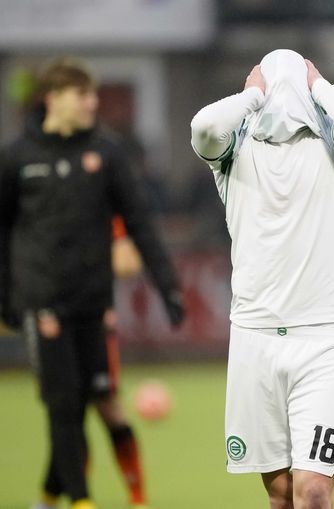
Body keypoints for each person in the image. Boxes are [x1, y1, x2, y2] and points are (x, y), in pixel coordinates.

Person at [190, 49, 334, 509]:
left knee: (313, 490)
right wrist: (251, 99)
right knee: (280, 495)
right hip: (255, 339)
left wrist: (318, 87)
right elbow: (203, 127)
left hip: (324, 340)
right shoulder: (234, 152)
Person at [0, 57, 185, 509]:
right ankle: (81, 501)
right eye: (82, 95)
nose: (92, 103)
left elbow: (140, 222)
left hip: (94, 304)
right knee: (64, 405)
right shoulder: (18, 158)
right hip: (44, 303)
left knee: (89, 401)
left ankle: (49, 498)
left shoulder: (106, 153)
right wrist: (6, 299)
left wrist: (168, 286)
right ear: (53, 98)